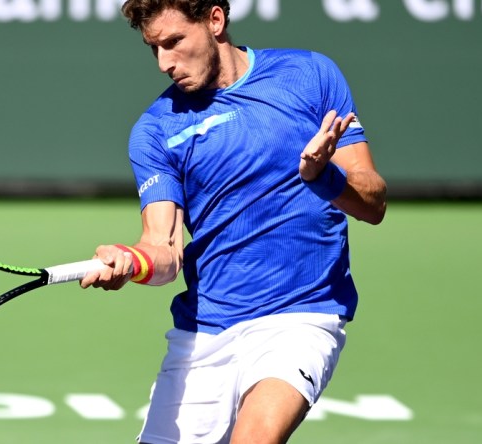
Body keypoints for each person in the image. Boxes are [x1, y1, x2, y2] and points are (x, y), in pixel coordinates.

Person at [80, 0, 387, 442]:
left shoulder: (310, 75)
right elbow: (163, 250)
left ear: (215, 20)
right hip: (204, 332)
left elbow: (373, 204)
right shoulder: (155, 131)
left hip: (301, 315)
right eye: (154, 48)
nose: (165, 62)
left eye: (174, 42)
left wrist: (325, 177)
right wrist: (132, 261)